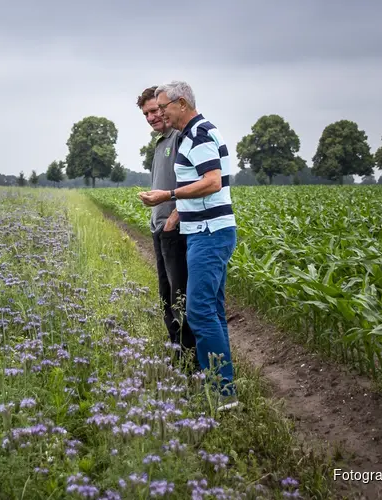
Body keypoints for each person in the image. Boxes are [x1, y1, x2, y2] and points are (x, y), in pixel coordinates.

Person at [138, 80, 239, 410]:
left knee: (198, 311)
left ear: (181, 103)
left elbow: (212, 181)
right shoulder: (193, 134)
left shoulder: (198, 134)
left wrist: (169, 197)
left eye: (163, 107)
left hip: (210, 233)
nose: (161, 113)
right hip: (203, 231)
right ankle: (224, 389)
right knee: (211, 310)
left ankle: (222, 392)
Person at [136, 86, 197, 368]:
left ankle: (190, 360)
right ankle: (177, 356)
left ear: (167, 107)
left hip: (175, 230)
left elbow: (192, 182)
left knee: (179, 297)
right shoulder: (161, 142)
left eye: (155, 110)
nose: (151, 117)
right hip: (159, 228)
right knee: (165, 296)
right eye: (146, 113)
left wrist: (174, 216)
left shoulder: (181, 137)